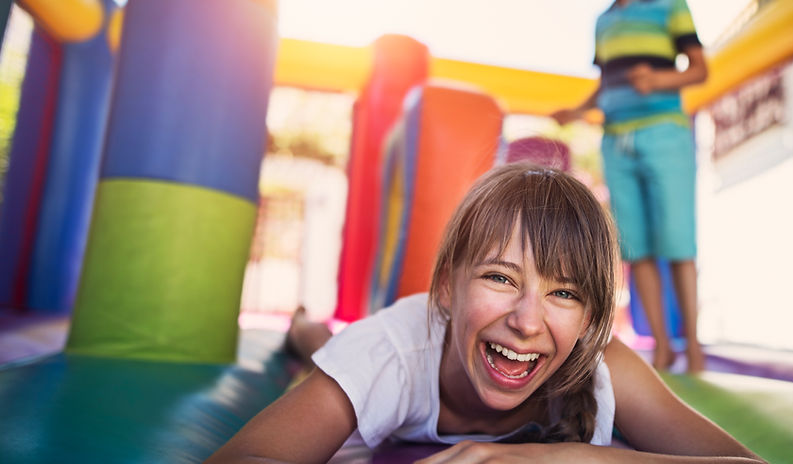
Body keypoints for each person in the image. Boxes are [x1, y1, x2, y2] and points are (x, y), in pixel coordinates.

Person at [207, 163, 762, 463]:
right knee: (317, 341)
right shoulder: (392, 352)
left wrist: (563, 462)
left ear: (593, 320)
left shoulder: (600, 364)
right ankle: (305, 326)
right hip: (376, 340)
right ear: (447, 286)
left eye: (563, 294)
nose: (526, 320)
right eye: (500, 278)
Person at [551, 0, 709, 373]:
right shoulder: (604, 21)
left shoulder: (670, 7)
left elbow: (700, 70)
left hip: (664, 133)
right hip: (615, 141)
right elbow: (607, 81)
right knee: (635, 248)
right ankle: (663, 347)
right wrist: (576, 111)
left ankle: (695, 347)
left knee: (678, 241)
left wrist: (659, 80)